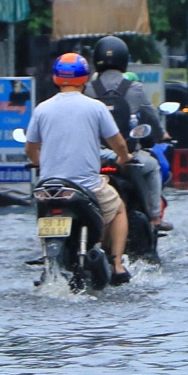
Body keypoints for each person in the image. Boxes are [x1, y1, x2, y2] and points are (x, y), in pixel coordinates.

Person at [25, 53, 132, 280]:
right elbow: (119, 143)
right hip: (87, 187)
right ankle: (118, 264)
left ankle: (48, 258)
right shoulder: (96, 107)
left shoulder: (42, 109)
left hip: (47, 188)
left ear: (56, 78)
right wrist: (123, 158)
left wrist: (39, 163)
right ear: (85, 79)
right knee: (120, 208)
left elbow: (31, 148)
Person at [86, 36, 165, 227]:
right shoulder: (134, 88)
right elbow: (150, 116)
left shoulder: (88, 89)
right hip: (127, 157)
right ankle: (155, 217)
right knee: (153, 167)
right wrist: (161, 134)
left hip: (95, 158)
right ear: (124, 59)